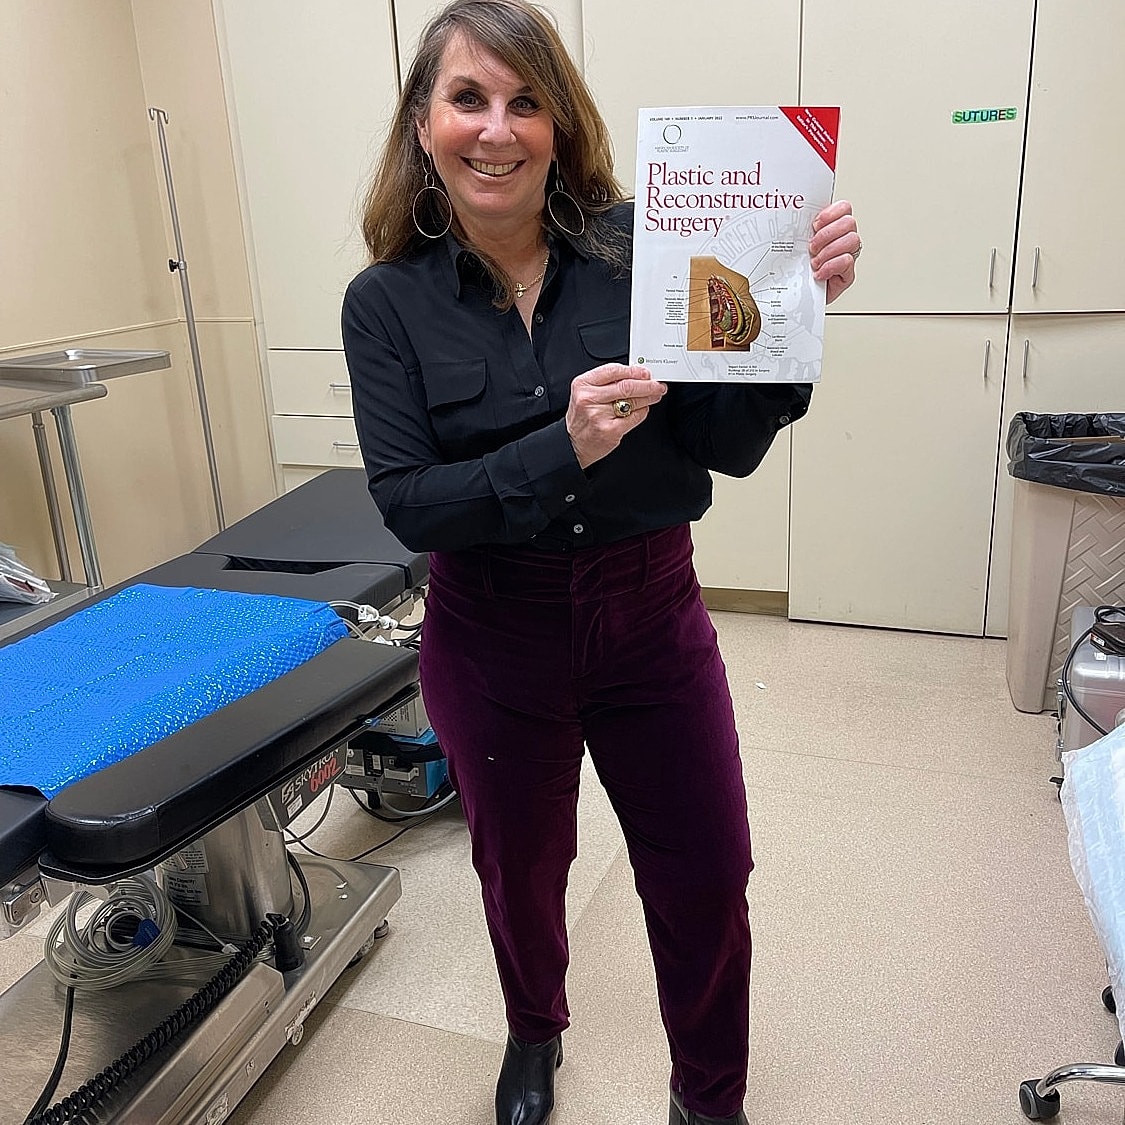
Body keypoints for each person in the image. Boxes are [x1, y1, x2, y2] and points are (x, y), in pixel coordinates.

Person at [342, 3, 859, 1122]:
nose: (498, 129)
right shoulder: (386, 303)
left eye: (526, 101)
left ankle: (709, 1097)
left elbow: (725, 450)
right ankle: (535, 1032)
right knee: (519, 872)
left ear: (560, 124)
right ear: (422, 123)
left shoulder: (642, 253)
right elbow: (408, 506)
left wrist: (790, 309)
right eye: (468, 98)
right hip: (490, 633)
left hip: (650, 618)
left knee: (707, 874)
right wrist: (557, 444)